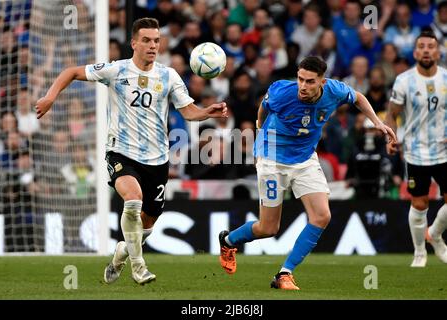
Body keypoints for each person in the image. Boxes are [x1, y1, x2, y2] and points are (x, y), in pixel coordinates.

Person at [35, 17, 227, 284]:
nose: (152, 46)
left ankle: (121, 253)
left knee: (146, 226)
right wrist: (51, 96)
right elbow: (71, 72)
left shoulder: (168, 75)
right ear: (134, 43)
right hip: (121, 152)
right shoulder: (116, 71)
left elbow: (188, 111)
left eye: (156, 41)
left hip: (157, 160)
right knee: (133, 200)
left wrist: (207, 112)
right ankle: (139, 267)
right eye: (146, 40)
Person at [218, 56, 396, 290]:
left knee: (322, 216)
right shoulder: (282, 91)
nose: (303, 86)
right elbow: (263, 107)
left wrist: (377, 122)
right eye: (300, 79)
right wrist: (260, 131)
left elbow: (358, 97)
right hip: (272, 159)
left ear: (322, 82)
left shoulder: (335, 90)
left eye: (310, 81)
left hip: (304, 158)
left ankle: (284, 274)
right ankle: (228, 240)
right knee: (268, 229)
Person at [385, 30, 447, 268]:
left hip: (444, 150)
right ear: (415, 52)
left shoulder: (446, 78)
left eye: (431, 46)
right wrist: (391, 137)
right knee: (420, 204)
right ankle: (420, 252)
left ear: (438, 51)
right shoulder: (404, 80)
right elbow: (392, 113)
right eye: (421, 46)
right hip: (415, 151)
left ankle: (435, 234)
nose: (426, 50)